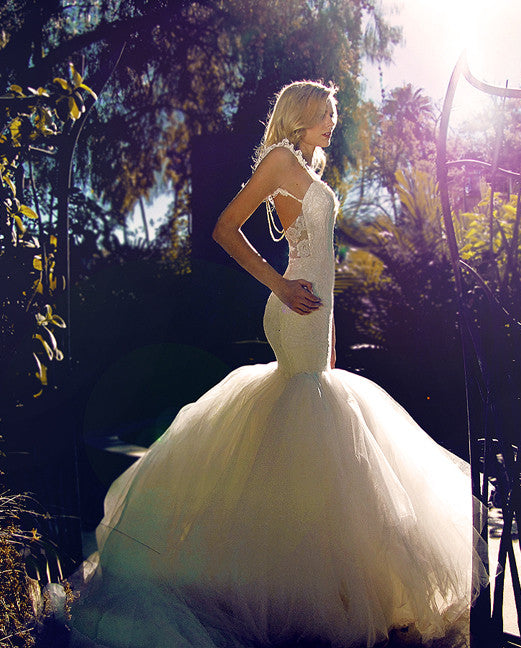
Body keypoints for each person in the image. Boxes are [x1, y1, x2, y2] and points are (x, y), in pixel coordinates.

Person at [69, 80, 487, 648]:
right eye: (325, 116)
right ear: (301, 115)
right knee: (307, 426)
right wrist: (280, 286)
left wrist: (332, 332)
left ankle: (322, 581)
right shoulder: (280, 159)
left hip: (316, 317)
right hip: (294, 308)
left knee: (316, 430)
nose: (332, 126)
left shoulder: (307, 167)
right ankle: (295, 590)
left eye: (334, 118)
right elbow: (224, 227)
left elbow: (324, 256)